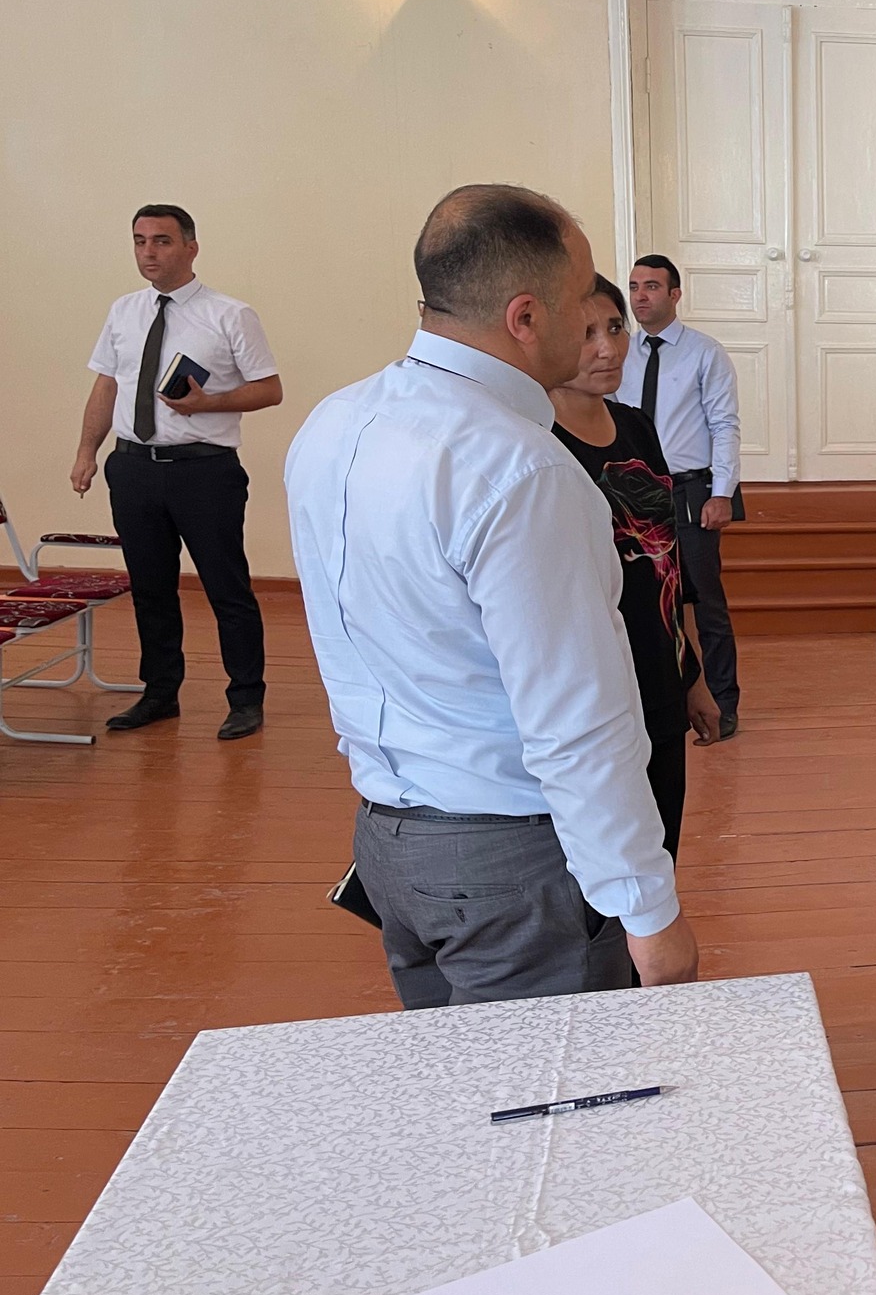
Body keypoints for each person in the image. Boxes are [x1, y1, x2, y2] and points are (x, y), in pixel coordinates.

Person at [285, 184, 699, 1007]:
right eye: (582, 296)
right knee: (555, 1086)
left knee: (459, 1081)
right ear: (526, 317)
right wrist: (649, 910)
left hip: (389, 838)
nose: (597, 316)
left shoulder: (334, 422)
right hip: (511, 861)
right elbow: (575, 721)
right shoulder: (522, 468)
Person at [70, 204, 282, 740]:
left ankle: (246, 698)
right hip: (133, 469)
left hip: (204, 472)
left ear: (191, 247)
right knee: (151, 588)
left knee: (226, 588)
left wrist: (208, 404)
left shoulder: (230, 314)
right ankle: (160, 693)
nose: (148, 252)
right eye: (139, 241)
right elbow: (107, 384)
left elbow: (269, 389)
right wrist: (87, 451)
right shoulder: (123, 311)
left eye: (162, 241)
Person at [549, 274, 722, 856]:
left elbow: (670, 564)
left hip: (660, 678)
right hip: (591, 694)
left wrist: (693, 678)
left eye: (615, 328)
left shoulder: (636, 428)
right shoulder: (535, 441)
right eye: (586, 334)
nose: (608, 349)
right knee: (599, 860)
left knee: (660, 850)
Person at [617, 254, 744, 741]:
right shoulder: (618, 352)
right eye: (634, 286)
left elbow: (724, 425)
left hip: (690, 491)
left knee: (705, 603)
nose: (640, 296)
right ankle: (654, 703)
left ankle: (724, 702)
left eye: (652, 286)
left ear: (675, 295)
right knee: (640, 599)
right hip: (632, 490)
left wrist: (722, 493)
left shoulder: (704, 353)